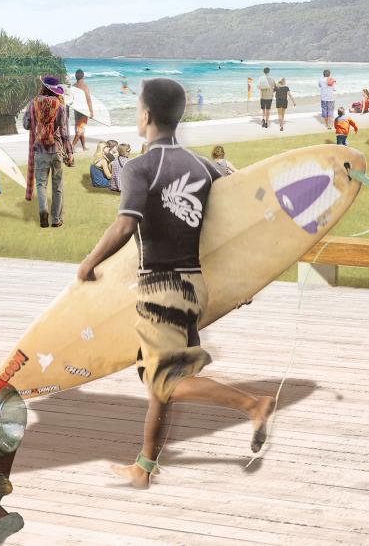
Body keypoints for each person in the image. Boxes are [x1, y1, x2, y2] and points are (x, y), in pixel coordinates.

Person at [74, 78, 276, 489]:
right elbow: (229, 227)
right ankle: (143, 468)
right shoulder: (203, 166)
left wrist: (90, 262)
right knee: (162, 382)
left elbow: (125, 224)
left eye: (136, 111)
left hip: (160, 288)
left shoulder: (139, 167)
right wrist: (244, 281)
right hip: (194, 286)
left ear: (146, 115)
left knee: (164, 380)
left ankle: (252, 405)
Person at [23, 76, 75, 228]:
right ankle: (56, 219)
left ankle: (43, 212)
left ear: (42, 87)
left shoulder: (33, 104)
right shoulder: (60, 106)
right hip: (57, 149)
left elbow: (26, 124)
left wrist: (38, 124)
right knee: (57, 185)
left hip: (39, 149)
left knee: (41, 184)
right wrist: (70, 152)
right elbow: (65, 132)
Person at [70, 69, 95, 150]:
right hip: (84, 111)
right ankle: (71, 146)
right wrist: (91, 111)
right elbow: (88, 100)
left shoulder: (73, 86)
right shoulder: (85, 87)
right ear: (83, 76)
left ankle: (84, 146)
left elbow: (71, 99)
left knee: (80, 128)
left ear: (76, 77)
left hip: (77, 110)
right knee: (80, 130)